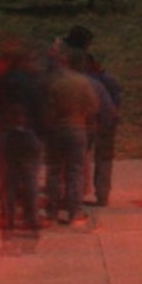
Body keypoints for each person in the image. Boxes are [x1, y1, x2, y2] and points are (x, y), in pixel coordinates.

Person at [0, 37, 49, 238]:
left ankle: (8, 218)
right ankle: (31, 219)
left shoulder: (2, 81)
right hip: (30, 136)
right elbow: (41, 110)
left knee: (9, 180)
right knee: (30, 180)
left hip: (6, 136)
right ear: (24, 61)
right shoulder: (34, 83)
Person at [42, 50, 105, 227]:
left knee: (54, 171)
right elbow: (93, 106)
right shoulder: (83, 83)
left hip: (55, 130)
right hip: (77, 128)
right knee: (75, 171)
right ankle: (73, 211)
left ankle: (52, 212)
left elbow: (46, 108)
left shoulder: (54, 83)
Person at [61, 25, 122, 206]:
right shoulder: (96, 73)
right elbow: (115, 88)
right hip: (106, 118)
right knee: (102, 159)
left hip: (89, 121)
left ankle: (74, 197)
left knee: (77, 159)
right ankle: (102, 195)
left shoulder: (75, 78)